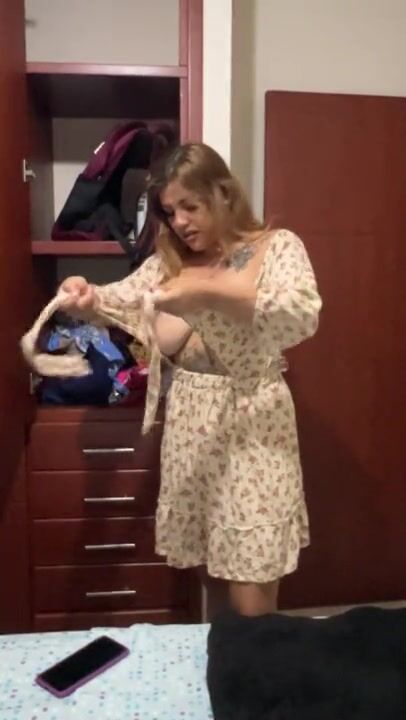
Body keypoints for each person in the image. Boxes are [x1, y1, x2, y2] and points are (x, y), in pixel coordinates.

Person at [60, 143, 322, 617]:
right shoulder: (171, 262)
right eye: (169, 211)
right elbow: (119, 299)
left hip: (253, 421)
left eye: (190, 206)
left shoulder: (277, 247)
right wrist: (85, 296)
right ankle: (226, 653)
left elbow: (299, 315)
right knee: (210, 569)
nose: (179, 222)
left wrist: (208, 293)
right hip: (191, 424)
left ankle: (254, 659)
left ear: (224, 193)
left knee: (252, 574)